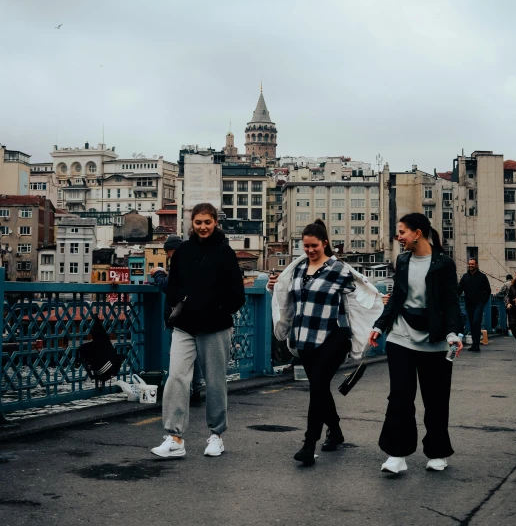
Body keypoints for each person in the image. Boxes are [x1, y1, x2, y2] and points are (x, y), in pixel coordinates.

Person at [268, 219, 383, 467]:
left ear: (325, 243)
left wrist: (380, 302)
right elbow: (288, 298)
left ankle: (309, 445)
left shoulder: (339, 269)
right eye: (306, 246)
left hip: (333, 337)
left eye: (314, 246)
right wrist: (273, 289)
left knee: (317, 387)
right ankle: (336, 431)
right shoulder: (298, 270)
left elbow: (361, 295)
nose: (309, 250)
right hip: (304, 337)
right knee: (319, 388)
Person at [368, 213, 463, 475]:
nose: (398, 237)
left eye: (402, 232)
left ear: (417, 233)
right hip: (401, 335)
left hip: (435, 339)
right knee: (399, 396)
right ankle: (397, 455)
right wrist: (380, 325)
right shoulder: (403, 260)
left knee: (435, 399)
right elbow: (398, 297)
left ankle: (437, 452)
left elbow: (451, 302)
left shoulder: (444, 264)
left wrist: (454, 333)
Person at [151, 203, 245, 459]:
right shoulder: (182, 251)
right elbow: (174, 285)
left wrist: (217, 308)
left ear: (215, 222)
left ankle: (216, 436)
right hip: (185, 326)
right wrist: (180, 302)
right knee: (176, 377)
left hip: (215, 327)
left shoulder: (225, 253)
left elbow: (238, 294)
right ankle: (175, 437)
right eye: (198, 222)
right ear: (192, 224)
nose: (203, 227)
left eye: (207, 222)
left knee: (215, 382)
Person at [150, 234, 206, 405]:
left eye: (168, 252)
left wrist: (158, 274)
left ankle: (183, 394)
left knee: (181, 358)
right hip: (199, 315)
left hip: (183, 317)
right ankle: (196, 392)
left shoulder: (181, 261)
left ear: (173, 250)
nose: (167, 256)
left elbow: (169, 287)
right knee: (195, 356)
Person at [458, 258, 491, 352]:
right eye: (469, 264)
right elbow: (459, 289)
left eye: (472, 264)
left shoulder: (482, 277)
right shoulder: (465, 277)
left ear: (476, 265)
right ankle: (474, 344)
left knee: (476, 321)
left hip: (478, 304)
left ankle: (476, 345)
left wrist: (483, 301)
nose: (471, 266)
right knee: (472, 323)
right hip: (469, 303)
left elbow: (487, 290)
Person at [507, 270, 516, 354]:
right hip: (513, 309)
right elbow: (508, 296)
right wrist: (508, 303)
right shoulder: (512, 285)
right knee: (512, 327)